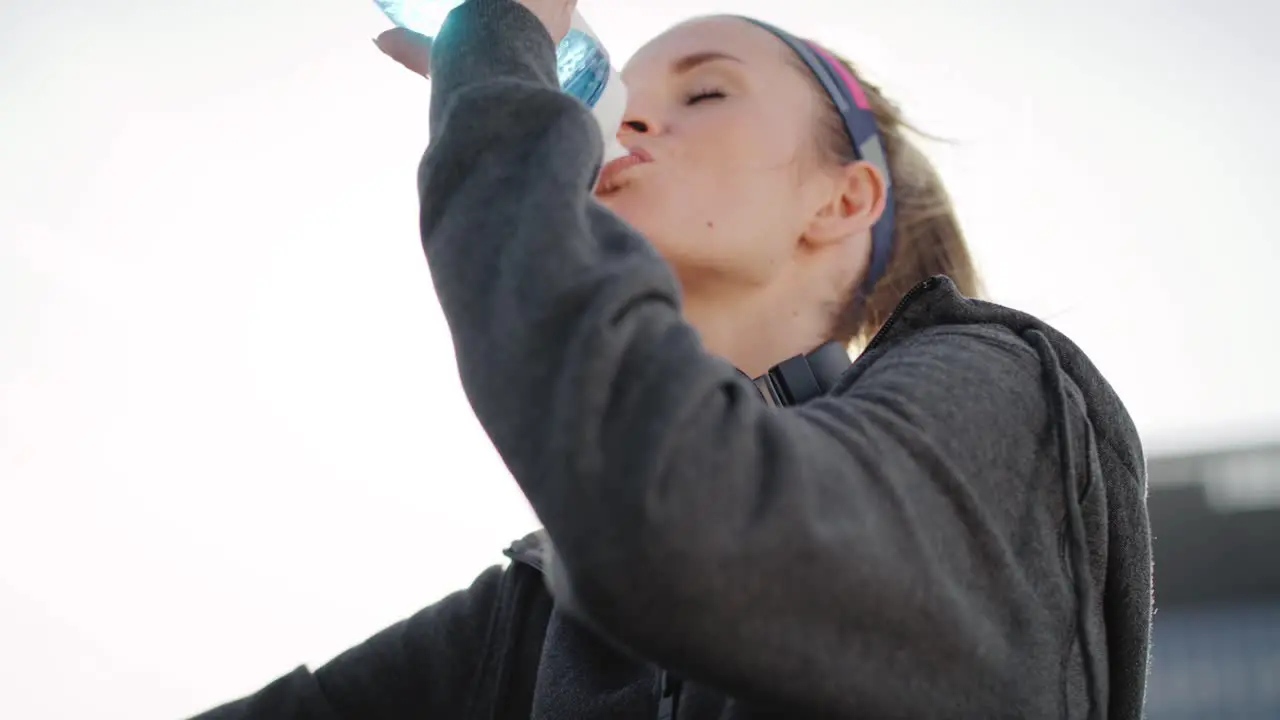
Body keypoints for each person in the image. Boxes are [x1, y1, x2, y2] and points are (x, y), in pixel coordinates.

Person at [192, 0, 1153, 717]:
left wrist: (500, 77)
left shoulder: (1004, 390)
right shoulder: (524, 624)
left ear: (844, 200)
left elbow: (679, 517)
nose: (625, 127)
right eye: (613, 108)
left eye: (703, 90)